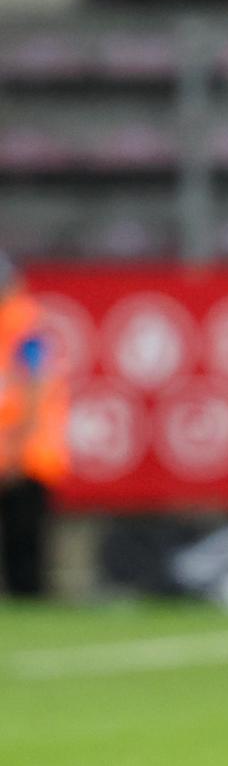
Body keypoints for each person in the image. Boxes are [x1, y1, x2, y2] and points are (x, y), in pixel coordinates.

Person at [0, 253, 67, 599]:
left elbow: (33, 388)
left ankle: (30, 598)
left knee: (24, 539)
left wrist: (14, 449)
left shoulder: (24, 327)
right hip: (12, 451)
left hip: (26, 454)